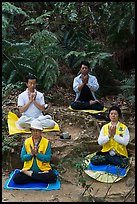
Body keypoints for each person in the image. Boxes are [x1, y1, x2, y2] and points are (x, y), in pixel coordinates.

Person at [13, 119, 57, 184]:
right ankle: (37, 177)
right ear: (31, 131)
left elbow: (47, 159)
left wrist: (37, 154)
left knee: (53, 177)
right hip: (29, 169)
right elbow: (23, 158)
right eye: (33, 130)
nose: (35, 133)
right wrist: (31, 154)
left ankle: (31, 175)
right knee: (16, 178)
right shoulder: (27, 142)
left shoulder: (46, 142)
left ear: (41, 132)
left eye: (37, 131)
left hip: (42, 170)